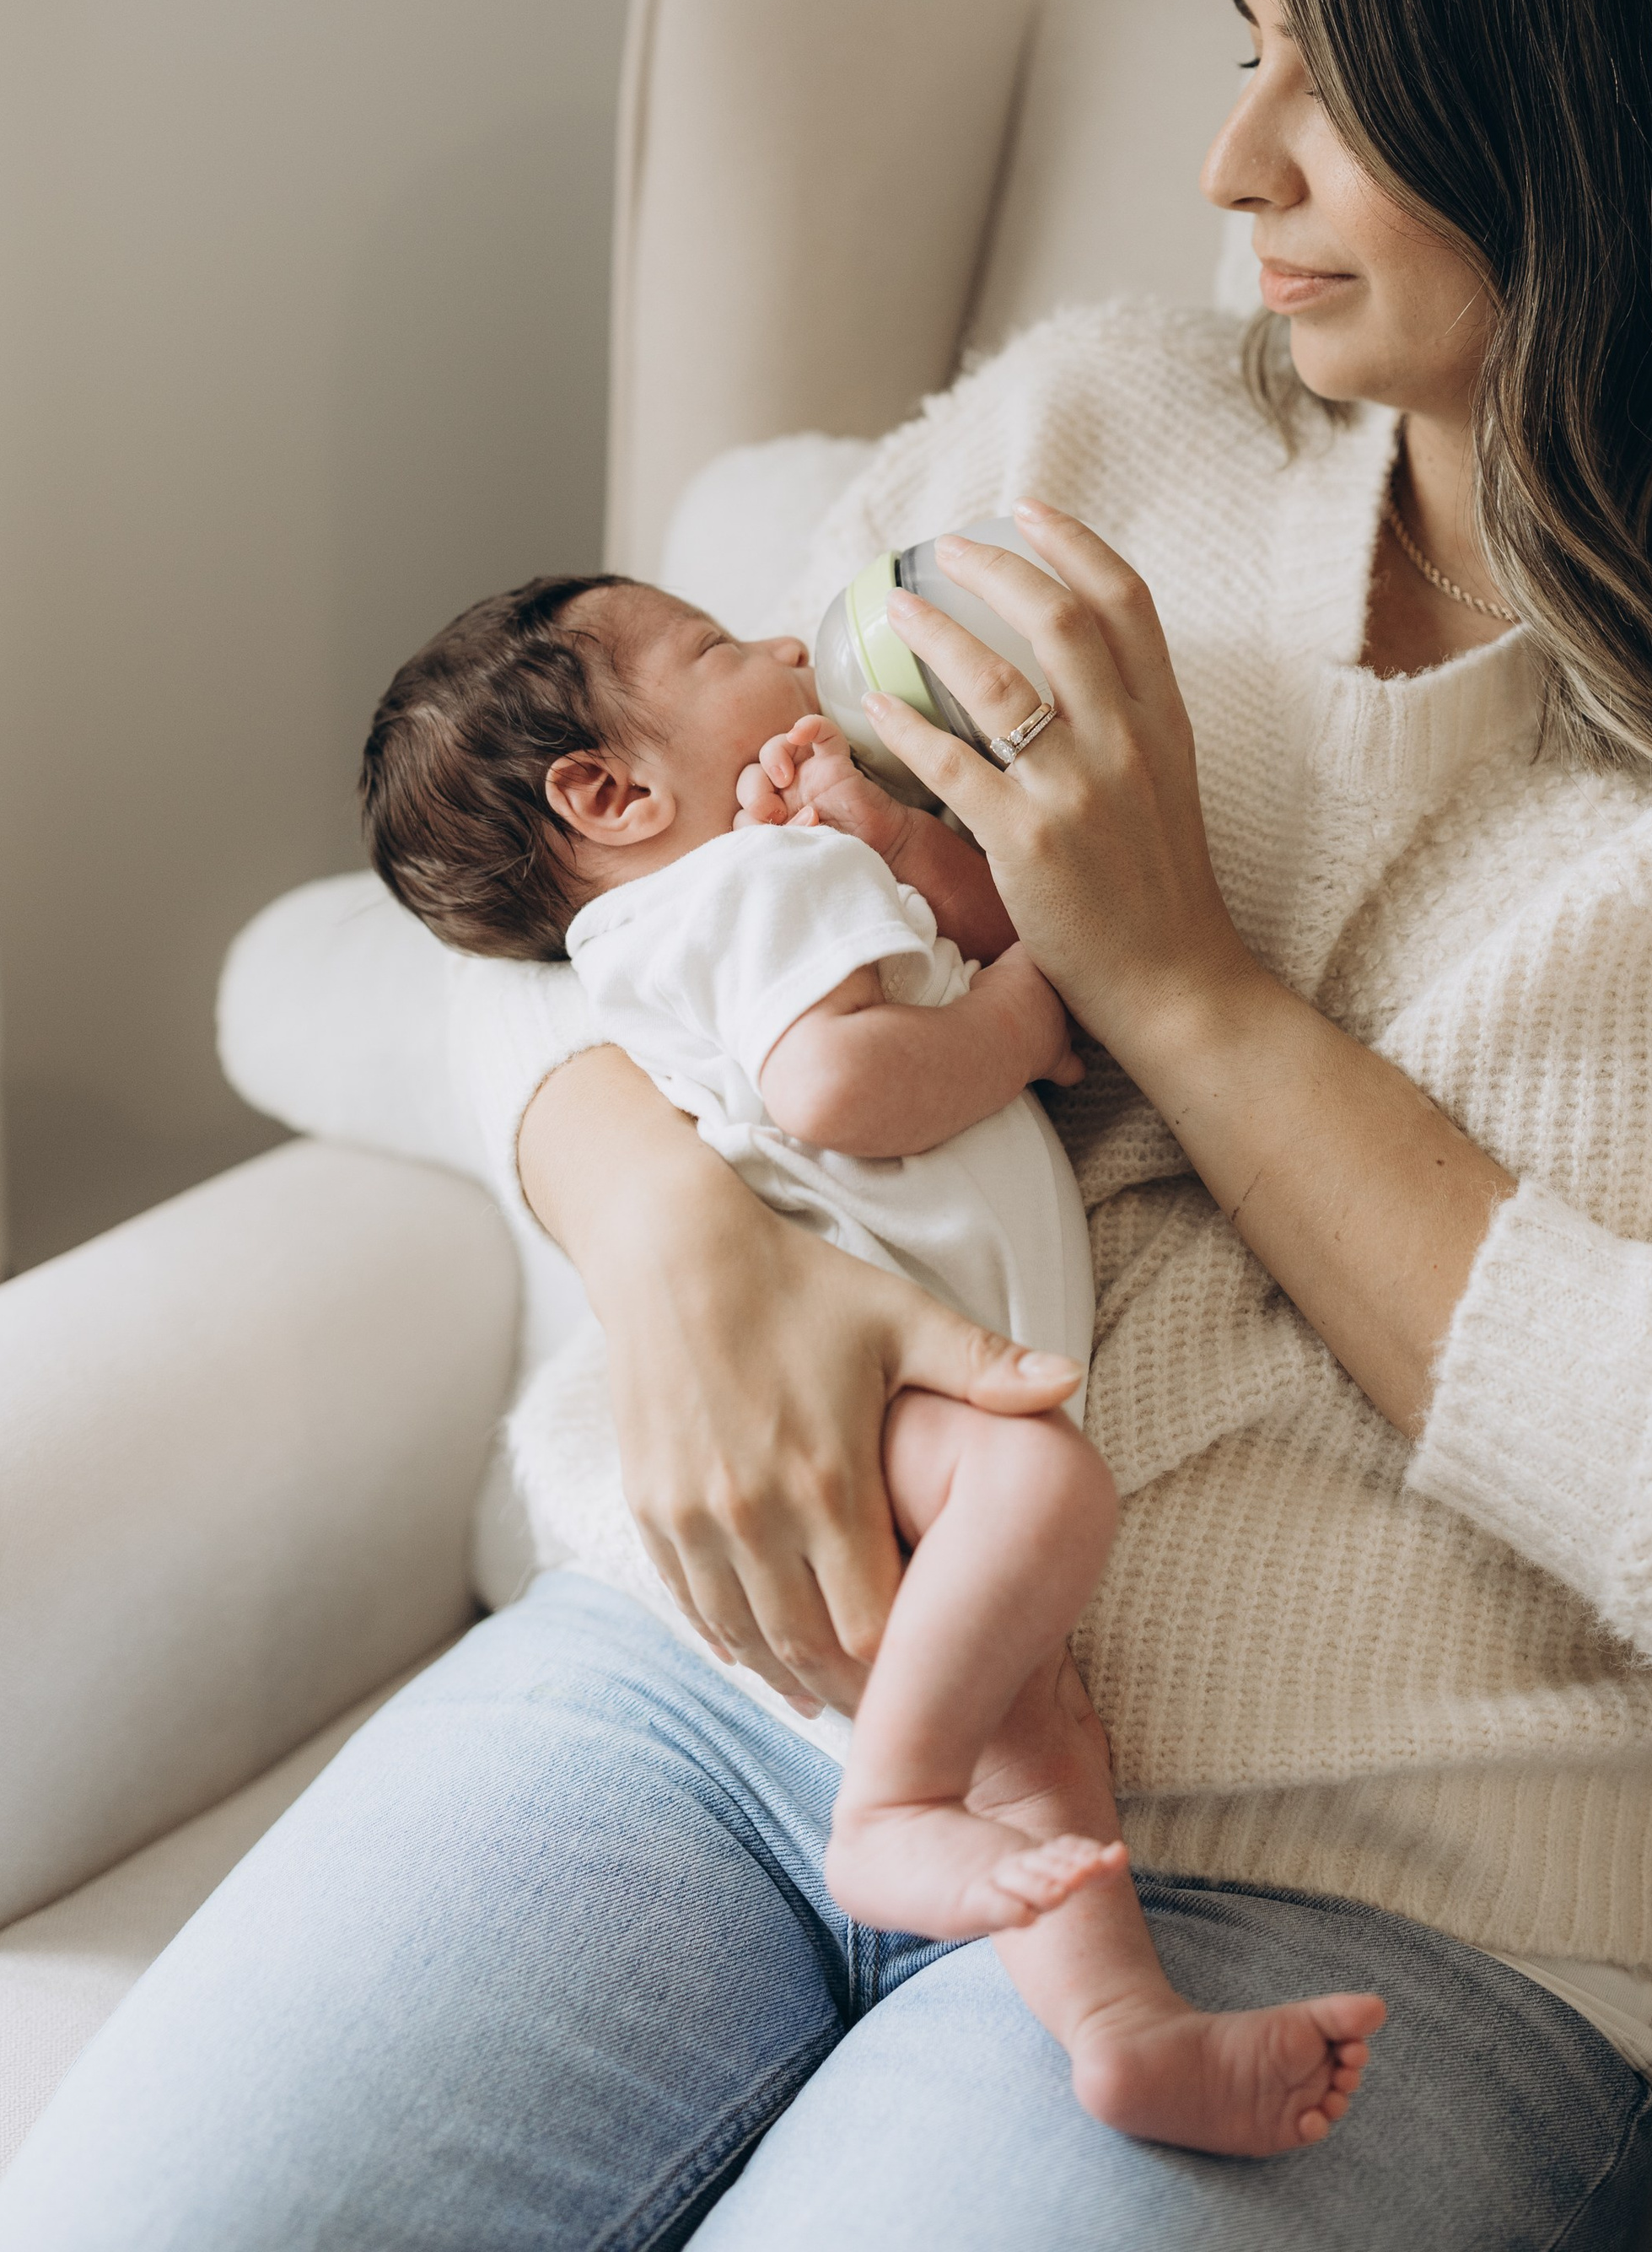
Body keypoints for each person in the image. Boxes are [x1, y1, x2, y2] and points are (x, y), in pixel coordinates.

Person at [0, 0, 1652, 2252]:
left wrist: (1178, 985)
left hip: (1376, 1912)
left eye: (1337, 76)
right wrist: (658, 1226)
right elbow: (479, 940)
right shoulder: (1096, 429)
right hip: (700, 1700)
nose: (1234, 166)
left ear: (1617, 101)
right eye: (1241, 44)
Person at [354, 576, 1384, 2148]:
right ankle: (892, 1810)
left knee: (1041, 1742)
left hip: (862, 1399)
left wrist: (894, 841)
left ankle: (1126, 2032)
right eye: (716, 650)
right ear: (611, 795)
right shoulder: (746, 885)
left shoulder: (713, 904)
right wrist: (1020, 1021)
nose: (782, 644)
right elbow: (838, 1083)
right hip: (873, 1379)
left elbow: (965, 935)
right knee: (1043, 1496)